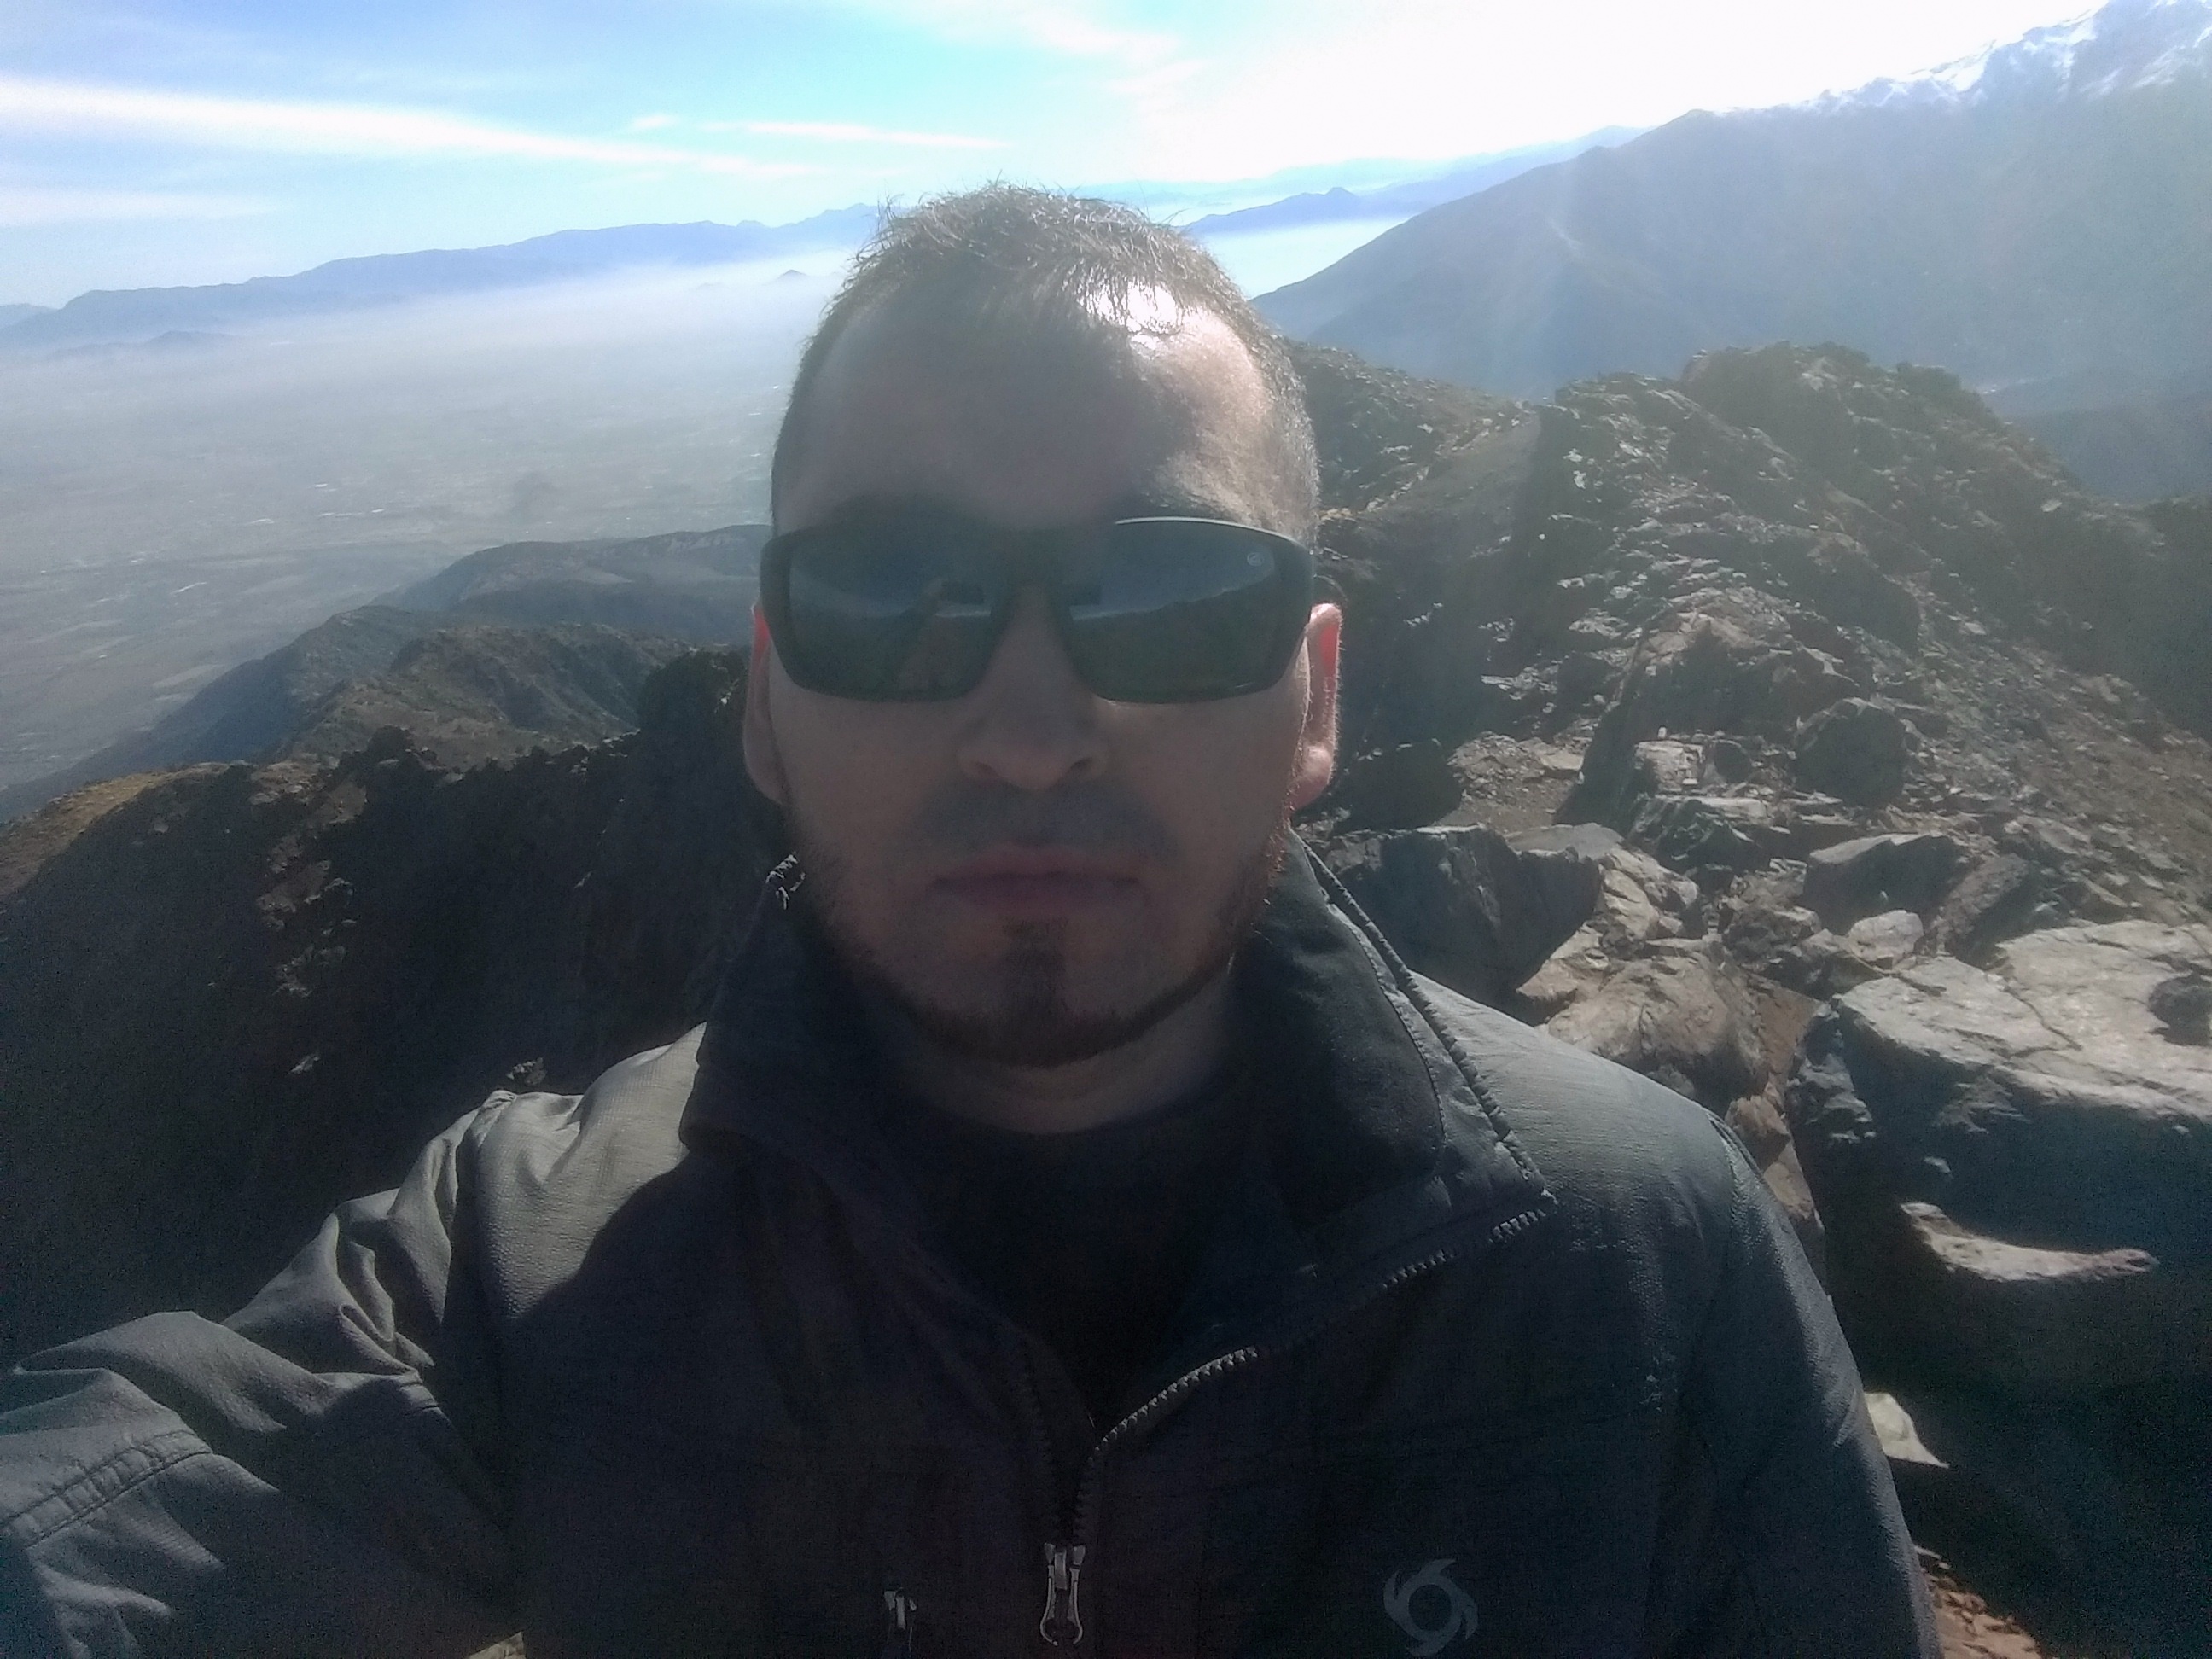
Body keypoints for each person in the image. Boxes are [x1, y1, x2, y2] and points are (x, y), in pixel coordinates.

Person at [0, 186, 1935, 1658]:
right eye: (892, 596)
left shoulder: (1647, 1266)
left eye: (1170, 599)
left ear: (1317, 700)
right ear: (762, 702)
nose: (1027, 734)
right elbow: (126, 1510)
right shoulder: (524, 1272)